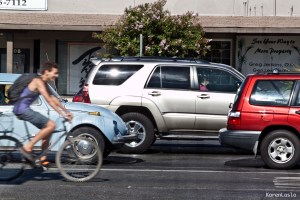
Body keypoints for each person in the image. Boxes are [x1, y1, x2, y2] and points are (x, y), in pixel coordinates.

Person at [13, 61, 73, 166]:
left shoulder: (43, 82)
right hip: (22, 109)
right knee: (51, 125)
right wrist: (62, 114)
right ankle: (28, 146)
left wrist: (66, 111)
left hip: (24, 109)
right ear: (46, 72)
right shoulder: (38, 81)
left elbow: (53, 98)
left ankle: (43, 157)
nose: (57, 75)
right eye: (55, 73)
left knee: (49, 129)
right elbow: (49, 100)